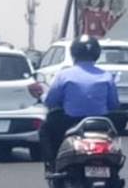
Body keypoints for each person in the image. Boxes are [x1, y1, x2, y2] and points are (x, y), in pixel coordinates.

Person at [39, 35, 120, 172]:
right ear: (96, 54)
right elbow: (114, 104)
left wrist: (41, 95)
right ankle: (114, 167)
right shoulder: (106, 76)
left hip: (70, 122)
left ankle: (52, 164)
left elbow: (51, 101)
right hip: (100, 124)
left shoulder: (64, 75)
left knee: (45, 130)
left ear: (73, 53)